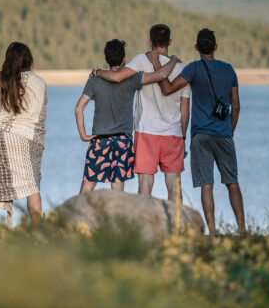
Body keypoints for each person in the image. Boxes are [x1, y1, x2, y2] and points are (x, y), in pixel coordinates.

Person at [150, 28, 245, 236]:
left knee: (206, 186)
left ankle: (211, 233)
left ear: (196, 48)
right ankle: (243, 230)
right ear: (215, 47)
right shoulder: (229, 70)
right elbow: (236, 106)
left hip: (200, 135)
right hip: (224, 134)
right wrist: (230, 130)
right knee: (232, 182)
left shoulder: (193, 69)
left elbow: (168, 89)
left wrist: (157, 67)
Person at [93, 24, 191, 202]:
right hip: (173, 134)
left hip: (147, 132)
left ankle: (145, 228)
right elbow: (185, 109)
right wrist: (183, 136)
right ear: (169, 42)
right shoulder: (182, 69)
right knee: (174, 188)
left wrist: (98, 72)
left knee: (145, 187)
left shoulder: (141, 60)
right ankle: (176, 228)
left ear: (150, 42)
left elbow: (116, 77)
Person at [75, 39, 180, 194]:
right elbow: (162, 74)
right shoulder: (133, 79)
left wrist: (83, 135)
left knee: (88, 185)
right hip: (123, 141)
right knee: (117, 188)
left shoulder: (94, 81)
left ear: (106, 60)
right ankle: (117, 218)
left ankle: (77, 216)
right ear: (124, 59)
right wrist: (174, 60)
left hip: (99, 140)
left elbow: (79, 108)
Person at [0, 42, 47, 236]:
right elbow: (41, 114)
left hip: (1, 141)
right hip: (30, 141)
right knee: (32, 187)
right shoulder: (39, 83)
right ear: (29, 59)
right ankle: (37, 232)